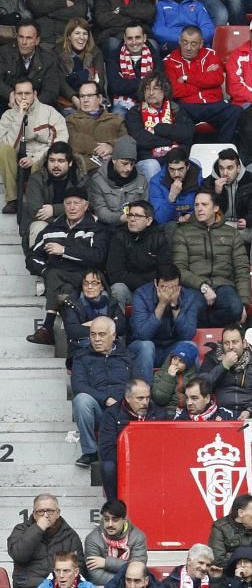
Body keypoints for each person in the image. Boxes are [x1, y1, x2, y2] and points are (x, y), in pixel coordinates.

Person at [173, 190, 251, 327]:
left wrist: (244, 303)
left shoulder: (231, 233)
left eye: (204, 204)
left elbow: (242, 269)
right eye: (196, 205)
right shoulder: (183, 232)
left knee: (235, 308)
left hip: (223, 284)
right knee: (192, 309)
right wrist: (202, 286)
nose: (199, 209)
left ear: (215, 208)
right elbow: (179, 268)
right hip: (194, 286)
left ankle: (215, 336)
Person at [6, 494, 85, 588]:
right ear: (34, 514)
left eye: (50, 511)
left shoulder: (69, 535)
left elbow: (79, 566)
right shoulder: (21, 530)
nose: (45, 515)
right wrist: (38, 529)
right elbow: (19, 554)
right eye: (41, 511)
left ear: (58, 513)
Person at [68, 316, 130, 467]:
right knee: (81, 400)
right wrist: (106, 399)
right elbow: (78, 386)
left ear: (113, 336)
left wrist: (122, 403)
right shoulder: (81, 356)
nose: (96, 339)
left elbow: (136, 384)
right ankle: (90, 452)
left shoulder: (128, 356)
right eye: (93, 334)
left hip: (123, 411)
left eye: (102, 334)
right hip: (98, 411)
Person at [0, 78, 68, 215]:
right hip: (17, 152)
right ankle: (13, 199)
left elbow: (59, 142)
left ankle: (35, 199)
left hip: (41, 154)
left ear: (35, 94)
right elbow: (8, 144)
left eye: (27, 93)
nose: (23, 97)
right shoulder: (8, 116)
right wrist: (19, 116)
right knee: (3, 149)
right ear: (14, 95)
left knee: (42, 160)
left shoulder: (49, 112)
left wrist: (34, 158)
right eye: (19, 94)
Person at [163, 27, 240, 144]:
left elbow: (217, 79)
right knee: (177, 117)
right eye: (185, 42)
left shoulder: (210, 54)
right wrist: (204, 80)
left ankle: (223, 151)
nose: (188, 48)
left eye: (193, 44)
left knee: (235, 111)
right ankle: (185, 157)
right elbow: (174, 90)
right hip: (187, 106)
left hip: (213, 104)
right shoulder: (169, 60)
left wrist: (186, 78)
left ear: (201, 44)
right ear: (179, 41)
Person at [97, 379, 165, 499]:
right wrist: (129, 461)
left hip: (152, 463)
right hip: (123, 462)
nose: (145, 402)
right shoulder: (112, 414)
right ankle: (114, 506)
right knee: (108, 467)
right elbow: (106, 449)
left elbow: (166, 446)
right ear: (128, 398)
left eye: (148, 398)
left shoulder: (159, 414)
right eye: (140, 398)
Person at [124, 72, 195, 181]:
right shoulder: (135, 112)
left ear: (164, 90)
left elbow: (187, 133)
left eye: (155, 88)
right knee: (152, 166)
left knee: (195, 163)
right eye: (147, 89)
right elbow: (140, 139)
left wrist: (159, 129)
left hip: (176, 157)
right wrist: (172, 140)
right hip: (149, 159)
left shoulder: (176, 109)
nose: (151, 93)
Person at [19, 142, 88, 251]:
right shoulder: (36, 179)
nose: (55, 165)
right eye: (52, 160)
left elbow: (86, 206)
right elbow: (36, 211)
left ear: (70, 163)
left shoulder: (80, 179)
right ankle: (37, 264)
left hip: (73, 224)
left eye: (61, 161)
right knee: (38, 227)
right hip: (45, 223)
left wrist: (54, 209)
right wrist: (67, 215)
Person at [104, 201, 170, 306]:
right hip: (128, 289)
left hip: (152, 290)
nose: (132, 219)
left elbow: (164, 271)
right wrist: (144, 280)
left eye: (138, 216)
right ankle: (117, 321)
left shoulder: (159, 238)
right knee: (117, 289)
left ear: (148, 221)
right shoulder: (119, 237)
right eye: (130, 215)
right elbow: (116, 274)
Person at [66, 79, 127, 176]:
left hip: (115, 167)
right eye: (82, 96)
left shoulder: (116, 120)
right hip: (87, 170)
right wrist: (100, 149)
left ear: (99, 98)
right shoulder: (71, 120)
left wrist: (110, 146)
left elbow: (126, 141)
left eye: (89, 96)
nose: (85, 100)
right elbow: (74, 141)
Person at [88, 137, 150, 227]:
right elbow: (100, 211)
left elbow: (145, 206)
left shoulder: (141, 179)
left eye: (132, 164)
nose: (129, 168)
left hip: (135, 226)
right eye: (124, 163)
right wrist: (120, 218)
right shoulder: (98, 180)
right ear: (114, 160)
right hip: (107, 227)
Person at [105, 22, 160, 117]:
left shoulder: (155, 58)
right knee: (117, 118)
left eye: (137, 37)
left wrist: (126, 83)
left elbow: (158, 86)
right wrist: (145, 82)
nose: (134, 42)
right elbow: (116, 87)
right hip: (122, 104)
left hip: (151, 103)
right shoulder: (114, 57)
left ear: (144, 38)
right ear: (125, 39)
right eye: (130, 38)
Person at [0, 22, 60, 109]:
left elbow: (51, 91)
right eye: (21, 37)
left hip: (37, 107)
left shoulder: (48, 59)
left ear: (37, 41)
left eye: (29, 38)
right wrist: (10, 94)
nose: (24, 42)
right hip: (7, 104)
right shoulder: (3, 53)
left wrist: (33, 104)